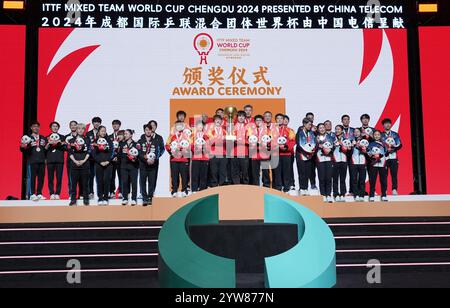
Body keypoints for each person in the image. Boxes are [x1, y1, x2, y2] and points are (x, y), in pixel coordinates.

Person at [138, 123, 165, 206]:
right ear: (144, 131)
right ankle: (144, 198)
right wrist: (145, 158)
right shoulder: (140, 141)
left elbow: (159, 151)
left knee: (152, 181)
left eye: (149, 130)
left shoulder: (156, 141)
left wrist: (153, 159)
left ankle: (150, 197)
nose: (148, 131)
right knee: (142, 181)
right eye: (146, 130)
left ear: (152, 131)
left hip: (153, 165)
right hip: (143, 164)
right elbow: (138, 152)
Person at [20, 121, 47, 201]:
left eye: (37, 126)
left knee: (41, 178)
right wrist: (27, 145)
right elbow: (22, 149)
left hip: (42, 161)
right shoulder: (26, 137)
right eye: (34, 126)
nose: (36, 128)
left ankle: (39, 193)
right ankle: (32, 194)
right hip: (32, 161)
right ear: (31, 128)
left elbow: (45, 150)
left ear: (39, 128)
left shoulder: (43, 138)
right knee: (32, 178)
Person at [166, 121, 191, 197]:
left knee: (184, 175)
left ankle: (184, 189)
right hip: (174, 159)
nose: (179, 127)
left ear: (183, 126)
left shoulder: (187, 136)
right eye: (177, 125)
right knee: (174, 175)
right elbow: (167, 145)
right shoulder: (172, 136)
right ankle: (174, 190)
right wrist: (171, 151)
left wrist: (185, 149)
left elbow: (191, 145)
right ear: (175, 127)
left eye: (181, 125)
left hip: (184, 159)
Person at [68, 123, 90, 206]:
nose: (80, 130)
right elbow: (70, 153)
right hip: (74, 165)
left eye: (82, 129)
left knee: (85, 183)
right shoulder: (71, 140)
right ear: (76, 130)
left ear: (84, 130)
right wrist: (75, 161)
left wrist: (84, 160)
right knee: (73, 183)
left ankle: (86, 199)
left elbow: (89, 152)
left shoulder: (87, 140)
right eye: (79, 128)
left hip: (85, 164)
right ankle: (73, 199)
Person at [273, 113, 296, 193]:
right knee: (277, 172)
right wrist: (276, 146)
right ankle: (278, 188)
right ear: (275, 120)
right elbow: (269, 140)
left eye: (281, 119)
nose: (279, 120)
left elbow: (293, 141)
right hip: (276, 154)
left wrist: (286, 147)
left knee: (287, 172)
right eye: (277, 119)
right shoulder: (272, 130)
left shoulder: (290, 130)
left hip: (286, 154)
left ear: (283, 120)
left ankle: (287, 188)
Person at [92, 126, 114, 205]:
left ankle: (105, 197)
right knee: (99, 181)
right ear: (98, 132)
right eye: (102, 131)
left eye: (104, 131)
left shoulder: (109, 141)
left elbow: (112, 152)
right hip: (98, 164)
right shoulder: (95, 141)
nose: (103, 132)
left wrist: (108, 161)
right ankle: (100, 198)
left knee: (107, 180)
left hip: (108, 164)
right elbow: (93, 153)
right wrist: (100, 161)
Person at [381, 118, 402, 196]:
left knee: (394, 174)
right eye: (386, 123)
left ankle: (394, 189)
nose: (387, 125)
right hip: (385, 158)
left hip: (393, 158)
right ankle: (384, 190)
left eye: (389, 123)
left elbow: (400, 145)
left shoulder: (395, 134)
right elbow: (378, 146)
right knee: (384, 175)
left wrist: (393, 149)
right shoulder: (380, 134)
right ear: (383, 125)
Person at [296, 118, 316, 196]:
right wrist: (306, 152)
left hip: (309, 156)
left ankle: (306, 188)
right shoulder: (299, 133)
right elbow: (299, 144)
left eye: (311, 124)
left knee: (308, 172)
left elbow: (314, 143)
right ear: (304, 124)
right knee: (302, 173)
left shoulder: (311, 133)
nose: (310, 126)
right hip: (301, 155)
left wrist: (312, 150)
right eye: (309, 124)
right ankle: (302, 188)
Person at [45, 121, 65, 200]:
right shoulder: (47, 137)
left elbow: (65, 148)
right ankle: (51, 193)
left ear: (58, 128)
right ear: (51, 128)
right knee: (50, 178)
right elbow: (45, 149)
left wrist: (60, 143)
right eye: (53, 126)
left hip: (59, 160)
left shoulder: (62, 137)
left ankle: (57, 193)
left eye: (56, 126)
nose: (55, 127)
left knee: (59, 178)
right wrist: (48, 143)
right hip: (50, 160)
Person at [119, 129, 140, 205]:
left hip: (133, 166)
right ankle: (125, 198)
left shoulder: (136, 144)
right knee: (124, 182)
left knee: (134, 182)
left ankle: (134, 198)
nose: (125, 135)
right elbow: (119, 155)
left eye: (127, 134)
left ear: (131, 135)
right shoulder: (121, 144)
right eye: (124, 134)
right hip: (124, 166)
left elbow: (139, 155)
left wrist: (135, 159)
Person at [315, 123, 335, 203]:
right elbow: (313, 147)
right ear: (318, 129)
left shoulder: (330, 137)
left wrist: (330, 150)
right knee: (322, 177)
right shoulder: (316, 137)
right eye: (320, 128)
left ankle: (329, 195)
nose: (322, 129)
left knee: (329, 178)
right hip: (320, 158)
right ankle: (323, 195)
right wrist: (318, 146)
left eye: (323, 127)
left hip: (329, 158)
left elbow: (334, 146)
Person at [368, 130, 389, 202]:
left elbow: (386, 153)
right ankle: (371, 195)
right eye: (375, 135)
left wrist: (380, 155)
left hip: (382, 164)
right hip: (374, 164)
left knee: (383, 180)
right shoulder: (370, 144)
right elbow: (369, 153)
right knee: (372, 180)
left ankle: (384, 195)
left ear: (380, 136)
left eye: (378, 134)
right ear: (373, 136)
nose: (377, 136)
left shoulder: (384, 144)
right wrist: (374, 156)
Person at [332, 125, 351, 202]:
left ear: (342, 131)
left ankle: (342, 194)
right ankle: (336, 194)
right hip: (335, 161)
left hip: (344, 161)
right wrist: (334, 145)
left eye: (339, 129)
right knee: (335, 179)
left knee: (343, 178)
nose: (337, 130)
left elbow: (350, 150)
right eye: (336, 129)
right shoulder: (332, 139)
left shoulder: (346, 140)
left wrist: (348, 148)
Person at [208, 115, 228, 187]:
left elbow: (228, 141)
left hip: (223, 153)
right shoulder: (210, 131)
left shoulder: (224, 131)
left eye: (219, 120)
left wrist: (220, 139)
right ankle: (214, 186)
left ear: (221, 121)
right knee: (214, 171)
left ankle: (221, 185)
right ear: (214, 121)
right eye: (216, 120)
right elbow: (210, 141)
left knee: (222, 171)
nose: (218, 121)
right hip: (213, 153)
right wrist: (220, 139)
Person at [191, 120, 210, 192]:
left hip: (204, 158)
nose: (200, 126)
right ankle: (194, 191)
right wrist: (196, 149)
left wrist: (204, 147)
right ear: (196, 126)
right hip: (196, 158)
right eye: (198, 125)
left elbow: (209, 146)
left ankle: (202, 191)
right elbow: (190, 145)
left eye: (201, 125)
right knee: (195, 175)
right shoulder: (193, 136)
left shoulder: (206, 136)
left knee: (203, 176)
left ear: (203, 127)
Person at [231, 111, 250, 185]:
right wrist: (233, 140)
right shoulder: (232, 126)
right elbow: (229, 138)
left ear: (245, 118)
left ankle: (245, 186)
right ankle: (236, 186)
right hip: (234, 152)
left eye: (243, 116)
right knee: (235, 171)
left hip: (244, 152)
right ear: (237, 117)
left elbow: (250, 139)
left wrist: (242, 141)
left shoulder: (248, 127)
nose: (241, 117)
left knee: (245, 171)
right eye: (239, 116)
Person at [350, 128, 368, 202]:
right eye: (355, 132)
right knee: (354, 179)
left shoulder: (365, 141)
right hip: (353, 162)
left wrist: (363, 149)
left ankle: (361, 194)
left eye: (358, 132)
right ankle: (356, 194)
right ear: (353, 133)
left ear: (360, 133)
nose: (356, 133)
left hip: (362, 162)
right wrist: (351, 146)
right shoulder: (351, 141)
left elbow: (368, 151)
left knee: (362, 179)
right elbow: (348, 152)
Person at [86, 117, 102, 199]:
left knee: (100, 176)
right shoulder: (88, 134)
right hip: (91, 158)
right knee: (90, 176)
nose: (96, 123)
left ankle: (101, 193)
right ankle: (91, 192)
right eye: (95, 122)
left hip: (100, 158)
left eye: (98, 122)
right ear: (92, 123)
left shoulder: (103, 133)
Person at [341, 114, 355, 196]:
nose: (346, 121)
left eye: (347, 119)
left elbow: (356, 139)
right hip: (342, 154)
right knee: (342, 175)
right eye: (344, 119)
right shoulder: (339, 130)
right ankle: (342, 192)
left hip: (352, 154)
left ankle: (351, 191)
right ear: (342, 121)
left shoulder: (353, 130)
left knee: (352, 174)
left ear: (349, 121)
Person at [109, 120, 122, 199]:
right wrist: (112, 157)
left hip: (120, 160)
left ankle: (121, 191)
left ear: (119, 126)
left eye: (117, 124)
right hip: (112, 160)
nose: (115, 126)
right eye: (113, 124)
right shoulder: (109, 137)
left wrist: (118, 156)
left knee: (121, 176)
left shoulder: (123, 136)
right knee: (112, 176)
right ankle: (112, 192)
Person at [65, 120, 78, 197]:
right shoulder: (66, 137)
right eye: (71, 125)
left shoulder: (81, 136)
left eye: (74, 125)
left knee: (80, 178)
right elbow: (64, 148)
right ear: (69, 126)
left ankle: (80, 194)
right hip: (70, 160)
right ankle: (71, 194)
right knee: (70, 177)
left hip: (80, 159)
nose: (73, 126)